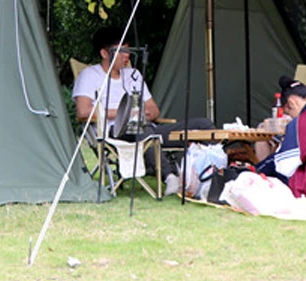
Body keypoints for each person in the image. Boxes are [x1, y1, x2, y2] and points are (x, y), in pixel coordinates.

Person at [72, 26, 213, 187]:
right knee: (138, 126)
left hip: (148, 128)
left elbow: (154, 110)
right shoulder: (90, 75)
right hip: (113, 132)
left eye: (128, 51)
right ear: (104, 53)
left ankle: (216, 174)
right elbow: (83, 112)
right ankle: (170, 177)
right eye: (121, 51)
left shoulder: (134, 75)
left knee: (203, 125)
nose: (127, 56)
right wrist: (126, 114)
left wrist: (141, 115)